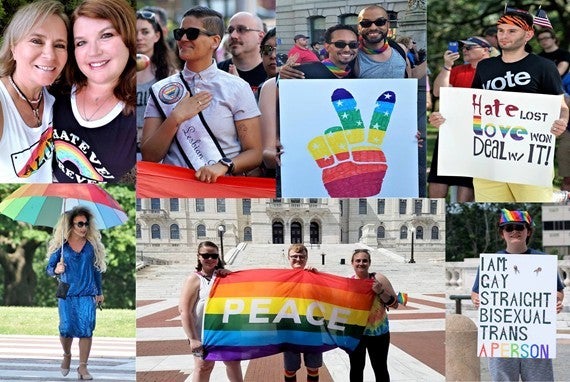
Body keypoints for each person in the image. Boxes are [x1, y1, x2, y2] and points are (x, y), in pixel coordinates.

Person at [429, 10, 568, 202]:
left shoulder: (544, 66)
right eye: (501, 30)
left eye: (512, 31)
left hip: (528, 164)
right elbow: (473, 106)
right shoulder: (486, 67)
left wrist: (562, 121)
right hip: (488, 164)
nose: (504, 35)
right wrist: (445, 118)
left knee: (536, 213)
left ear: (528, 34)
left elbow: (561, 106)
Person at [141, 6, 262, 183]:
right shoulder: (162, 89)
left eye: (192, 33)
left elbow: (255, 152)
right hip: (173, 186)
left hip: (221, 187)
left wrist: (223, 165)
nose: (182, 39)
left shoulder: (237, 87)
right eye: (180, 33)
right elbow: (149, 156)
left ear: (215, 41)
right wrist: (176, 117)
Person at [470, 209, 565, 381]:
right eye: (509, 228)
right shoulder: (492, 262)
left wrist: (556, 301)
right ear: (502, 234)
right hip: (501, 338)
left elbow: (558, 291)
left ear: (528, 231)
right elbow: (476, 291)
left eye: (519, 227)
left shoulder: (543, 260)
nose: (514, 231)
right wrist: (477, 300)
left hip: (536, 336)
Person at [52, 0, 137, 184]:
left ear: (129, 38)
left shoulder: (143, 108)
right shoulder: (56, 91)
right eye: (81, 42)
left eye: (106, 35)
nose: (93, 51)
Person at [0, 0, 68, 183]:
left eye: (60, 45)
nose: (50, 55)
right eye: (36, 41)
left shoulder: (54, 98)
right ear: (13, 47)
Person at [46, 206, 106, 380]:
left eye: (86, 224)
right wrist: (56, 269)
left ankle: (83, 367)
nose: (84, 227)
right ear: (71, 226)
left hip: (87, 293)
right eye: (80, 224)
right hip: (67, 293)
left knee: (86, 330)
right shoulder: (61, 248)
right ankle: (66, 355)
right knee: (66, 329)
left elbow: (96, 270)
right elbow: (48, 269)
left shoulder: (91, 247)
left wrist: (99, 291)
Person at [429, 36, 492, 202]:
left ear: (486, 50)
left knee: (467, 180)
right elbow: (438, 92)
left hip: (478, 133)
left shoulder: (496, 72)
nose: (465, 50)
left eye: (470, 47)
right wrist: (447, 66)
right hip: (451, 130)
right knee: (438, 176)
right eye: (463, 47)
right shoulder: (457, 71)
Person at [178, 241, 243, 382]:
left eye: (214, 256)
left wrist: (231, 277)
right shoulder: (194, 279)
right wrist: (193, 339)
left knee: (233, 364)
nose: (210, 259)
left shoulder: (223, 277)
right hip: (202, 334)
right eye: (206, 255)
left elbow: (240, 299)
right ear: (199, 257)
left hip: (225, 331)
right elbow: (184, 311)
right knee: (204, 367)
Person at [349, 249, 400, 382]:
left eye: (364, 260)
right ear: (352, 263)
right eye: (358, 261)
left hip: (379, 333)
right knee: (356, 368)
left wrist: (380, 291)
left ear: (369, 262)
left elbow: (395, 304)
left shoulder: (379, 278)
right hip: (357, 333)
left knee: (380, 368)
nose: (361, 263)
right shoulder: (349, 283)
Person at [136, 9, 178, 159]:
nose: (139, 37)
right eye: (135, 32)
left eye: (145, 32)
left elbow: (174, 115)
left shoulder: (169, 74)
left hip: (156, 152)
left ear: (157, 36)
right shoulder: (119, 72)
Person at [283, 244, 321, 382]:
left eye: (301, 256)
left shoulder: (314, 276)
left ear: (306, 258)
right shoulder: (281, 278)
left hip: (312, 327)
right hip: (290, 329)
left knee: (313, 367)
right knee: (290, 368)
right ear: (288, 258)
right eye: (294, 256)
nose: (298, 259)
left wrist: (318, 277)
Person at [218, 12, 267, 94]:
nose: (233, 35)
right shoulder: (218, 71)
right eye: (230, 31)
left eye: (241, 30)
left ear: (260, 37)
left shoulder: (271, 72)